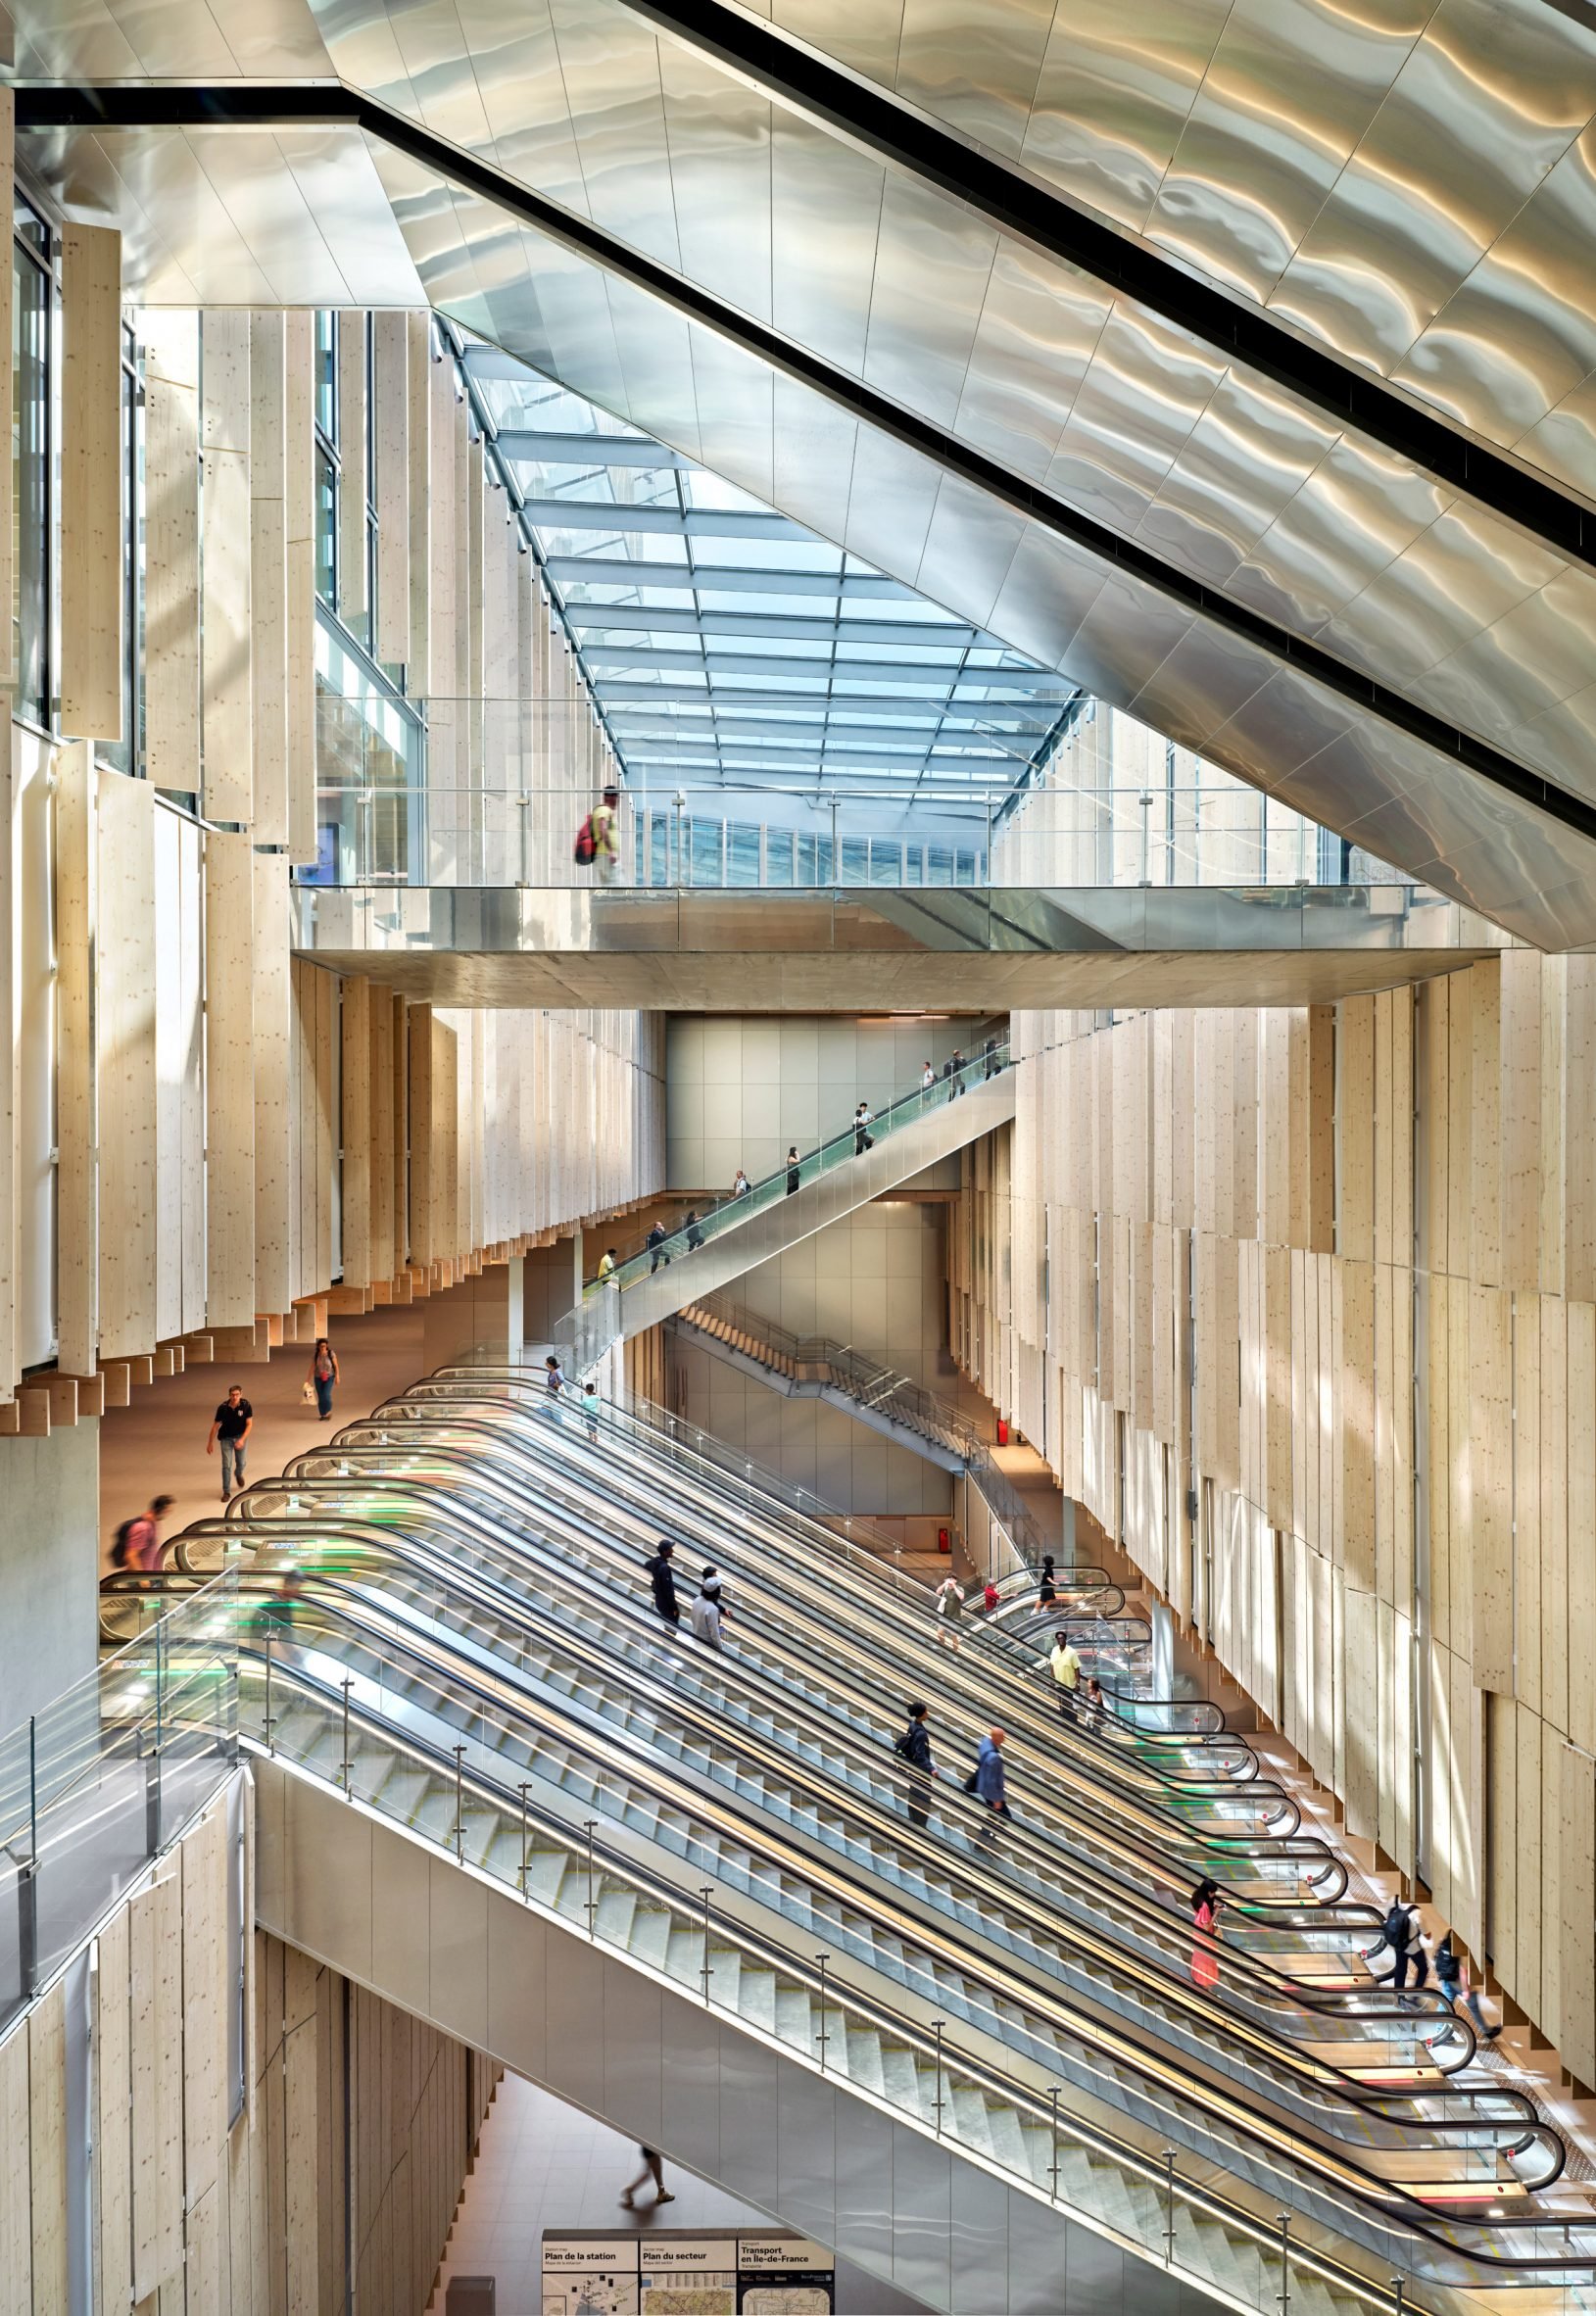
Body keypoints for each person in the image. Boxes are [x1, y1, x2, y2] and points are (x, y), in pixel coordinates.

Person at [1434, 1935, 1499, 2045]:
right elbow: (1463, 1970)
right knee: (1474, 2007)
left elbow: (1440, 1945)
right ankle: (1487, 2031)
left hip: (1447, 1976)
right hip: (1459, 1983)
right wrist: (1466, 1990)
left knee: (1445, 2004)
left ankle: (1440, 2031)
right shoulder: (1465, 1944)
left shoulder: (1450, 1932)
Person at [894, 1701, 938, 1829]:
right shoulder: (920, 1733)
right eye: (925, 1712)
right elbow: (920, 1755)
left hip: (913, 1766)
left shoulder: (913, 1725)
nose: (927, 1713)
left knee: (915, 1792)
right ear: (921, 1714)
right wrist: (931, 1769)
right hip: (920, 1770)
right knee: (923, 1795)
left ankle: (913, 1817)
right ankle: (920, 1823)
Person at [1365, 1899, 1425, 1993]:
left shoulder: (1394, 1900)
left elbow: (1387, 1917)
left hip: (1398, 1944)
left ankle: (1399, 1996)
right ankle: (1415, 1994)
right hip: (1413, 1948)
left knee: (1400, 1969)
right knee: (1423, 1969)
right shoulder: (1417, 1912)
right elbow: (1427, 1934)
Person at [208, 1385, 254, 1502]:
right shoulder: (223, 1408)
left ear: (241, 1395)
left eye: (237, 1395)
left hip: (240, 1437)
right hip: (226, 1439)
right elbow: (215, 1426)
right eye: (233, 1395)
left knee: (241, 1462)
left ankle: (238, 1473)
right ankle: (226, 1491)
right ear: (229, 1395)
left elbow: (249, 1424)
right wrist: (210, 1443)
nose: (235, 1397)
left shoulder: (246, 1405)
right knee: (226, 1465)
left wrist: (242, 1439)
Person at [111, 1495, 175, 1575]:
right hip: (141, 1577)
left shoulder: (153, 1523)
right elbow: (131, 1555)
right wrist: (142, 1579)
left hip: (151, 1573)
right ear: (161, 1510)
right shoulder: (143, 1528)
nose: (168, 1514)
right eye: (168, 1511)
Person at [973, 1728, 1009, 1845]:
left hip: (984, 1788)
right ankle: (985, 1841)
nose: (1004, 1740)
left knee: (992, 1816)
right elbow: (991, 1780)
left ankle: (982, 1841)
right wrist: (997, 1800)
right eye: (1002, 1737)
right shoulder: (994, 1758)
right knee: (1006, 1817)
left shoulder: (985, 1743)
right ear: (995, 1738)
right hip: (992, 1794)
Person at [619, 2146, 674, 2210]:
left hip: (649, 2145)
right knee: (650, 2171)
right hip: (650, 2146)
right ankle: (629, 2190)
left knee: (655, 2166)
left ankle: (661, 2192)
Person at [1191, 1877, 1223, 1990]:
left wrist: (1213, 1909)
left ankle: (1200, 1980)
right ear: (1207, 1891)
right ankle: (1204, 1984)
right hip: (1204, 1935)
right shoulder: (1204, 1906)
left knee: (1200, 1957)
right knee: (1206, 1959)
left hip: (1197, 1928)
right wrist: (1216, 1914)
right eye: (1212, 1892)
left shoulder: (1197, 1896)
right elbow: (1206, 1927)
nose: (1213, 1895)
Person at [1046, 1628, 1083, 1720]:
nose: (1060, 1640)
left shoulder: (1072, 1652)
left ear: (1065, 1639)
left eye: (1062, 1638)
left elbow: (1076, 1668)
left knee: (1069, 1705)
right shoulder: (1054, 1650)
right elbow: (1052, 1665)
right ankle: (1065, 1723)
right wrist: (1052, 1679)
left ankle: (1073, 1722)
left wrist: (1077, 1683)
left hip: (1069, 1685)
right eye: (1058, 1638)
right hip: (1059, 1684)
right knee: (1062, 1704)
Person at [591, 785, 622, 887]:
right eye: (617, 797)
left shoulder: (602, 810)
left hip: (603, 855)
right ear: (612, 797)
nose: (618, 800)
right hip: (606, 855)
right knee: (618, 886)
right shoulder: (604, 810)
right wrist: (610, 851)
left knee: (608, 887)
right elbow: (602, 828)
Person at [645, 1540, 680, 1625]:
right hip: (666, 1603)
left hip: (659, 1600)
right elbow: (668, 1591)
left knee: (667, 1623)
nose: (673, 1551)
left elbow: (646, 1565)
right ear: (665, 1552)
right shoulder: (665, 1568)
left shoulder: (655, 1562)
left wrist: (655, 1581)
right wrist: (674, 1607)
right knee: (672, 1624)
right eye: (670, 1549)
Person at [688, 1567, 725, 1647]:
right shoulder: (712, 1609)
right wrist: (720, 1648)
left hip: (696, 1636)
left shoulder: (697, 1600)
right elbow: (714, 1633)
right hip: (707, 1643)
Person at [306, 1335, 339, 1420]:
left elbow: (336, 1365)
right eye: (321, 1346)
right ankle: (323, 1414)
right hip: (318, 1377)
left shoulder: (331, 1354)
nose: (323, 1348)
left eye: (324, 1346)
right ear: (318, 1347)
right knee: (321, 1396)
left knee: (326, 1395)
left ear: (327, 1346)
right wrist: (308, 1380)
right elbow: (312, 1367)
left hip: (329, 1377)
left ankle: (328, 1411)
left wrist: (337, 1376)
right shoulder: (316, 1355)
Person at [934, 1574, 965, 1650]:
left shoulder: (959, 1588)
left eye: (952, 1579)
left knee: (954, 1636)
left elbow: (961, 1597)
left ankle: (955, 1652)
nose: (950, 1581)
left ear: (955, 1581)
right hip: (944, 1615)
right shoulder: (946, 1587)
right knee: (939, 1633)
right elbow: (937, 1592)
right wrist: (945, 1583)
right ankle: (943, 1646)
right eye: (949, 1579)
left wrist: (954, 1586)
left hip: (955, 1617)